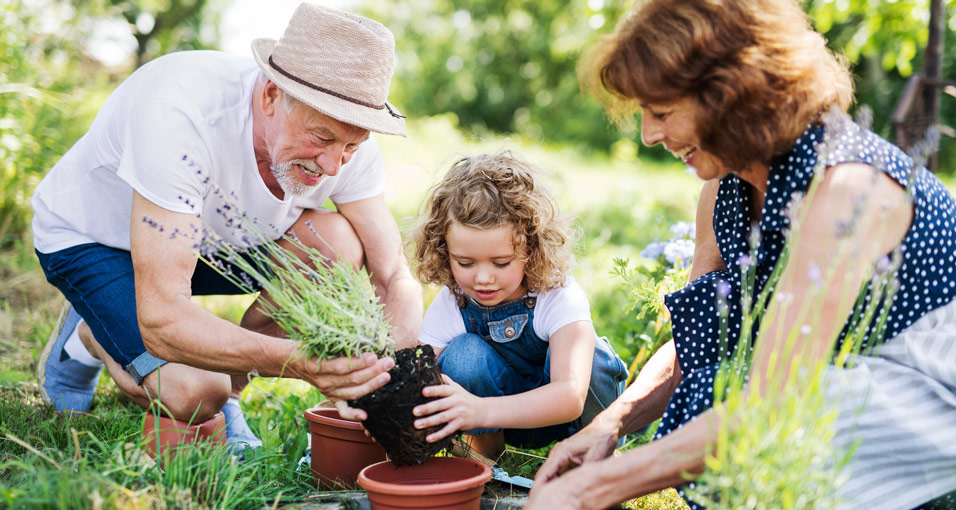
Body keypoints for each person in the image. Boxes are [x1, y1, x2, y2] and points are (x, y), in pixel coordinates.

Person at [527, 0, 956, 509]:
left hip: (926, 388)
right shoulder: (724, 184)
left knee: (778, 440)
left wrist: (592, 489)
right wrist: (608, 426)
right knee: (714, 392)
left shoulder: (847, 189)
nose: (648, 134)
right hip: (837, 382)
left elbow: (773, 403)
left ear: (733, 95)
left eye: (661, 112)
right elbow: (702, 338)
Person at [32, 3, 422, 449]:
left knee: (337, 245)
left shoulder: (343, 138)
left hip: (206, 244)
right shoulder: (179, 112)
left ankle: (230, 396)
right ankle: (88, 335)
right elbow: (163, 319)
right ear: (272, 95)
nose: (334, 165)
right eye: (322, 139)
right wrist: (302, 363)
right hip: (94, 239)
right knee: (195, 392)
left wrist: (396, 372)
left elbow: (393, 274)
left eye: (352, 147)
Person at [405, 151, 628, 459]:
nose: (483, 278)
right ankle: (484, 454)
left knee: (593, 357)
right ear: (445, 251)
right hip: (499, 420)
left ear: (531, 248)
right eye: (465, 262)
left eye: (501, 262)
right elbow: (419, 379)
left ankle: (593, 450)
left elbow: (571, 395)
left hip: (569, 415)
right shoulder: (452, 303)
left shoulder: (557, 294)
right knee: (463, 356)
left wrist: (480, 410)